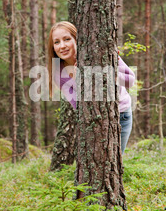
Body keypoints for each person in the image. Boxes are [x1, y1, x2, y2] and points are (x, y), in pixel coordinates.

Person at [48, 21, 135, 154]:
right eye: (57, 42)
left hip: (120, 114)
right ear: (53, 47)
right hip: (94, 121)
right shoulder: (59, 73)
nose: (62, 46)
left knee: (114, 159)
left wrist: (106, 75)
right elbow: (79, 106)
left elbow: (130, 81)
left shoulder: (101, 52)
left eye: (67, 39)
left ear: (77, 39)